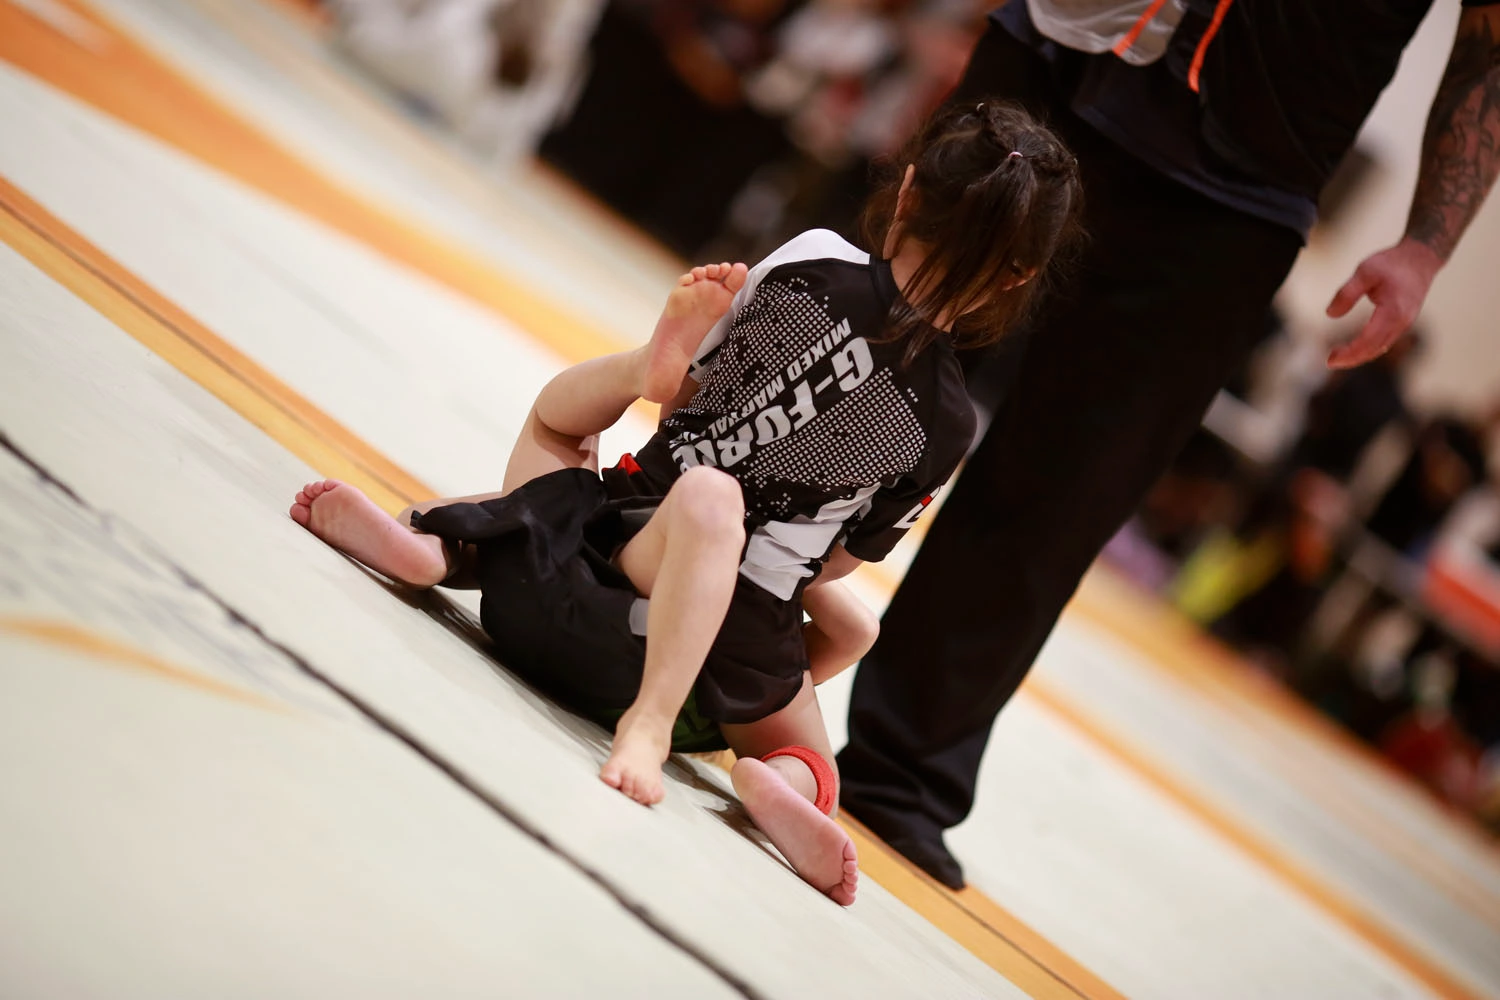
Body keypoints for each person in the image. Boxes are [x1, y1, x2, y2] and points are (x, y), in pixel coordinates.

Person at [289, 101, 1084, 906]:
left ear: (907, 191)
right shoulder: (948, 426)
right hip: (738, 629)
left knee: (570, 442)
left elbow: (684, 405)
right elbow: (837, 561)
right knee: (818, 760)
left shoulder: (813, 260)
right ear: (1017, 276)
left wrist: (683, 401)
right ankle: (753, 771)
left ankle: (438, 541)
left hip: (605, 540)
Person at [837, 0, 1500, 889]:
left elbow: (1490, 49)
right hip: (1054, 60)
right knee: (862, 356)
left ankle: (900, 769)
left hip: (1244, 179)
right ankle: (711, 610)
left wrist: (1426, 246)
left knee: (1063, 492)